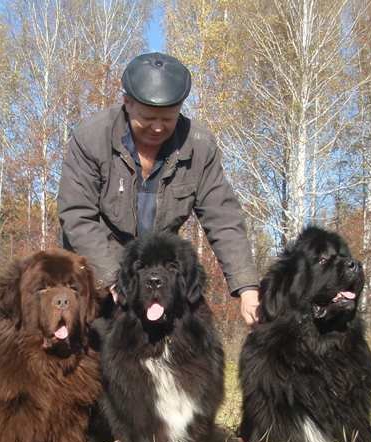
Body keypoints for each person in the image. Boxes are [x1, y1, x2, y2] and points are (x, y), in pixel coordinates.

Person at [58, 52, 260, 325]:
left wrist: (247, 287)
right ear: (127, 103)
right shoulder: (91, 138)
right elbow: (77, 215)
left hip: (160, 276)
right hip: (98, 271)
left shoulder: (200, 146)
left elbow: (223, 218)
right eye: (148, 118)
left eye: (167, 119)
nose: (157, 128)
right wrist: (115, 279)